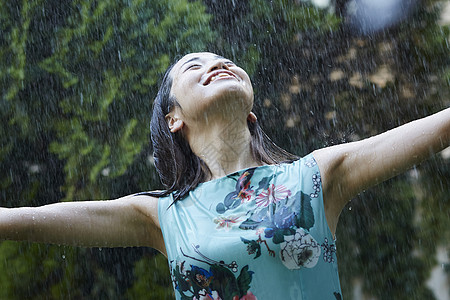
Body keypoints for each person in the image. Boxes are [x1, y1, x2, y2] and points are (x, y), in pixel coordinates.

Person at [1, 52, 449, 299]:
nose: (219, 64)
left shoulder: (315, 177)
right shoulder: (161, 214)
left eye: (225, 62)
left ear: (250, 111)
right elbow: (34, 218)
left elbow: (436, 128)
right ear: (173, 118)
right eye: (194, 66)